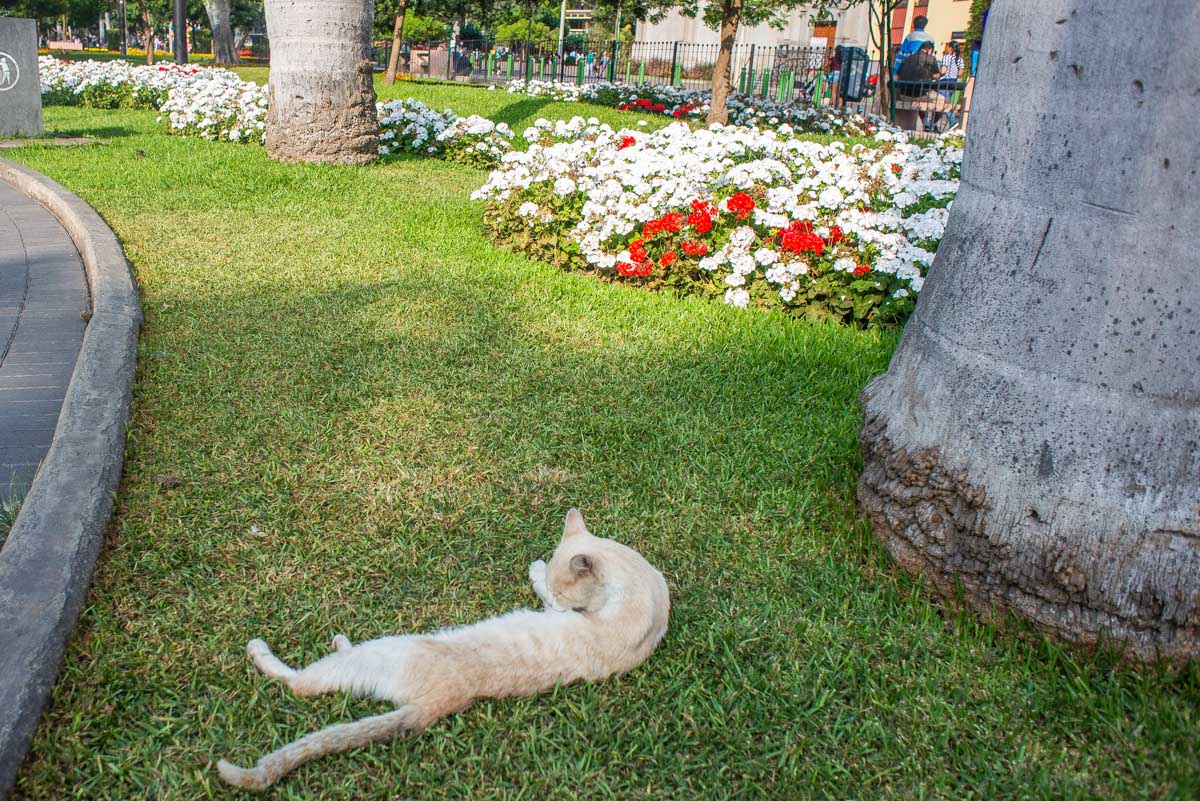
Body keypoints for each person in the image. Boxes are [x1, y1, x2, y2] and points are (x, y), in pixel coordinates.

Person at [938, 41, 965, 128]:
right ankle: (930, 124)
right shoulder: (960, 59)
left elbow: (943, 71)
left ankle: (953, 121)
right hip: (954, 82)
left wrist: (938, 71)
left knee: (944, 104)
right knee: (943, 102)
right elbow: (960, 73)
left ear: (950, 48)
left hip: (944, 82)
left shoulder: (947, 57)